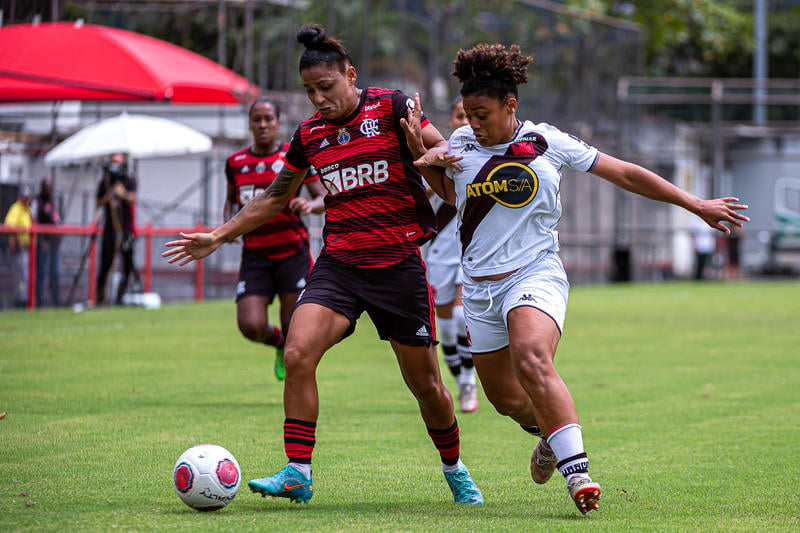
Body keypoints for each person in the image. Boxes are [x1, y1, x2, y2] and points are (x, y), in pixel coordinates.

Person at [404, 43, 749, 514]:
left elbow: (625, 173)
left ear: (511, 104)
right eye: (467, 115)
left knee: (532, 356)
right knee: (505, 399)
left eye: (481, 114)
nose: (473, 125)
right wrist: (421, 159)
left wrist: (697, 205)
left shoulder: (547, 142)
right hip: (480, 288)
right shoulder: (460, 146)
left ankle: (577, 473)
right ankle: (548, 433)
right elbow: (454, 198)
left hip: (535, 272)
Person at [163, 24, 483, 506]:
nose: (317, 99)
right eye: (309, 91)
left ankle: (455, 469)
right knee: (297, 352)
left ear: (350, 76)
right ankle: (298, 471)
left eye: (326, 87)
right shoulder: (309, 135)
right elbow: (273, 198)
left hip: (398, 266)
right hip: (340, 265)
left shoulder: (393, 108)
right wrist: (218, 235)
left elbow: (448, 162)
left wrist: (426, 146)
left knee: (426, 385)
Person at [225, 96, 326, 381]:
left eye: (268, 118)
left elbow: (321, 195)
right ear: (250, 125)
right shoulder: (236, 162)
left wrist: (309, 205)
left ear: (279, 123)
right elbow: (230, 202)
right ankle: (279, 344)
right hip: (255, 255)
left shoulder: (290, 157)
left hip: (292, 253)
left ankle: (295, 382)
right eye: (256, 119)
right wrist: (227, 227)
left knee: (293, 324)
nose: (262, 124)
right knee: (250, 325)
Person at [425, 97, 477, 413]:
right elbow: (422, 195)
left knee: (460, 317)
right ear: (452, 121)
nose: (466, 121)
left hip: (470, 250)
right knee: (445, 325)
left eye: (472, 116)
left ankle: (470, 380)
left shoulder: (486, 156)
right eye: (460, 116)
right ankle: (461, 382)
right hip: (439, 252)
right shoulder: (435, 157)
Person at [96, 152, 138, 306]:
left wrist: (123, 193)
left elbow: (133, 198)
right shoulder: (105, 182)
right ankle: (99, 298)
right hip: (110, 229)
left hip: (125, 229)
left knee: (127, 265)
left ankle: (120, 297)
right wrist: (107, 197)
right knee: (105, 264)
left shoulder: (128, 180)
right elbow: (98, 202)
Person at [4, 184, 33, 307]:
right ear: (19, 197)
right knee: (22, 277)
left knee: (26, 276)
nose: (26, 200)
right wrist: (17, 238)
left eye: (28, 197)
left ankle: (25, 300)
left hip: (27, 248)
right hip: (18, 249)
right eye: (24, 197)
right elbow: (8, 226)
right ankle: (20, 302)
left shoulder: (28, 210)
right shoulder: (16, 209)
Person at [35, 177, 62, 307]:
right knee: (42, 273)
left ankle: (56, 302)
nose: (48, 189)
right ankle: (39, 302)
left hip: (54, 244)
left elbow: (57, 220)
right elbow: (35, 222)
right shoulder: (38, 202)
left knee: (55, 273)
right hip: (44, 243)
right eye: (46, 186)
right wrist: (41, 240)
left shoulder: (52, 202)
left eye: (50, 186)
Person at [689, 215, 717, 280]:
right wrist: (694, 245)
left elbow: (714, 233)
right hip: (699, 244)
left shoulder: (710, 218)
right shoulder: (695, 219)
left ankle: (708, 278)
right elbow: (692, 233)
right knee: (700, 263)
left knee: (708, 263)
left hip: (709, 244)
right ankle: (698, 278)